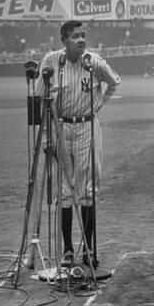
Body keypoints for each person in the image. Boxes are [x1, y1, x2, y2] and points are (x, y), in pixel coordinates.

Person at [35, 20, 120, 270]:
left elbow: (114, 82)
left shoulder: (94, 62)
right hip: (60, 127)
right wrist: (49, 137)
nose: (81, 40)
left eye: (83, 36)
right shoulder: (51, 61)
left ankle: (88, 247)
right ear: (63, 40)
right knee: (63, 191)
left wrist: (99, 104)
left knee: (87, 189)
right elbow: (42, 99)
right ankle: (68, 250)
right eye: (75, 36)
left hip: (87, 128)